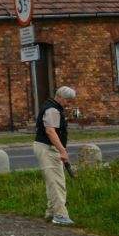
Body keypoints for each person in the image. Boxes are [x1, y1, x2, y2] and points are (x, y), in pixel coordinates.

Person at [34, 85, 78, 226]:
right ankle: (60, 215)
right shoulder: (52, 109)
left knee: (53, 182)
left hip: (49, 148)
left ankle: (51, 212)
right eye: (68, 100)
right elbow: (50, 132)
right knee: (57, 183)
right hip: (48, 148)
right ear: (59, 97)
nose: (69, 103)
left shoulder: (52, 106)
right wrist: (62, 151)